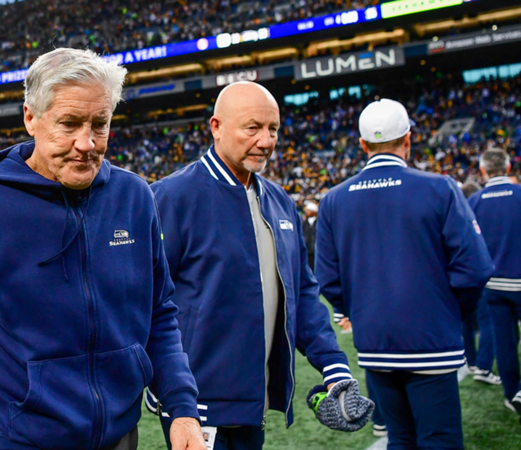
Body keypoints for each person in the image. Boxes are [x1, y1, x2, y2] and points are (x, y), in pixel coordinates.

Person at [0, 48, 205, 450]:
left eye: (101, 124)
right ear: (31, 118)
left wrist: (181, 408)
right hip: (17, 439)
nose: (87, 143)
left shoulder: (134, 197)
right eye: (69, 123)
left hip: (119, 437)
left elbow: (159, 314)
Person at [149, 81, 372, 450]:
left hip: (255, 402)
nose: (266, 141)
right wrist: (168, 390)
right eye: (252, 128)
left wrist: (334, 368)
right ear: (215, 127)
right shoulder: (171, 198)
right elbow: (148, 302)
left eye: (273, 129)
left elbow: (301, 290)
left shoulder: (280, 201)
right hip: (194, 405)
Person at [316, 98, 494, 449]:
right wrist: (450, 310)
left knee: (399, 439)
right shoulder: (440, 187)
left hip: (375, 344)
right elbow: (475, 269)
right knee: (439, 440)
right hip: (432, 340)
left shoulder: (334, 200)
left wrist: (363, 312)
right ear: (408, 139)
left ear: (363, 145)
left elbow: (328, 280)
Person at [471, 148, 521, 429]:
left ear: (482, 171)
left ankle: (512, 393)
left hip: (493, 284)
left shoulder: (475, 201)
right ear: (509, 166)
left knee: (505, 342)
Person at [458, 179, 501, 386]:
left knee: (467, 320)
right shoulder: (483, 214)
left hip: (463, 276)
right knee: (487, 321)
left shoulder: (460, 214)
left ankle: (471, 360)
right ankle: (483, 366)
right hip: (483, 274)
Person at [302, 202, 318, 271]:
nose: (306, 212)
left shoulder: (318, 222)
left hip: (315, 251)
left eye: (308, 210)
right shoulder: (304, 223)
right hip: (307, 250)